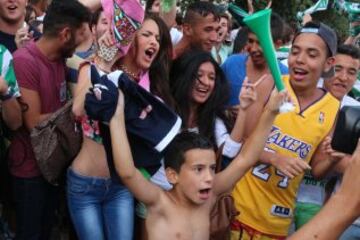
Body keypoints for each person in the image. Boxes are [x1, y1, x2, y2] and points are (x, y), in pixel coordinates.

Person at [109, 77, 288, 239]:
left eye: (211, 168)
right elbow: (127, 173)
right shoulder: (159, 202)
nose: (209, 177)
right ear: (172, 175)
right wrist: (116, 117)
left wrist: (271, 112)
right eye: (198, 169)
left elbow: (245, 160)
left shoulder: (210, 196)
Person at [230, 21, 341, 239]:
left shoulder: (333, 108)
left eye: (311, 54)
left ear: (328, 63)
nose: (299, 59)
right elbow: (243, 144)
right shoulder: (270, 84)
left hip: (278, 223)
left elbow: (317, 170)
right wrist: (275, 158)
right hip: (238, 212)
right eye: (295, 51)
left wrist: (333, 158)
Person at [8, 1, 90, 239]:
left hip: (55, 167)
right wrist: (75, 108)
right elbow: (33, 121)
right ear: (65, 34)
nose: (84, 42)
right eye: (81, 35)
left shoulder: (60, 60)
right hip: (30, 172)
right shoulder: (25, 61)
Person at [221, 12, 288, 131]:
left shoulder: (285, 78)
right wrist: (225, 111)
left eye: (260, 43)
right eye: (250, 41)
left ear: (278, 45)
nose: (253, 49)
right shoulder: (231, 63)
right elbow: (211, 99)